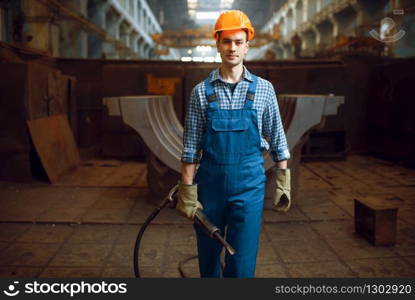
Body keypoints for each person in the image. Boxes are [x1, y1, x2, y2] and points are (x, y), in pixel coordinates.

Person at [176, 10, 291, 278]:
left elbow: (278, 138)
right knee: (208, 257)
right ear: (217, 43)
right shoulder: (200, 93)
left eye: (238, 42)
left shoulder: (264, 89)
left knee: (242, 260)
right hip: (209, 188)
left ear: (247, 45)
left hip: (249, 187)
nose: (232, 48)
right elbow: (191, 148)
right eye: (226, 41)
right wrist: (187, 190)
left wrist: (284, 180)